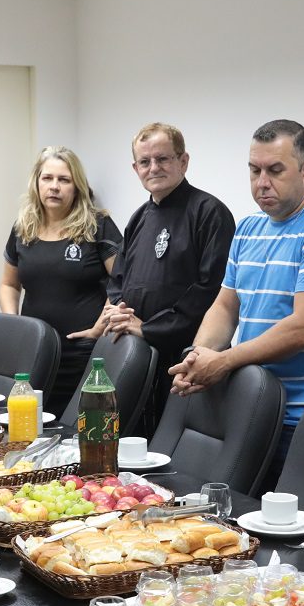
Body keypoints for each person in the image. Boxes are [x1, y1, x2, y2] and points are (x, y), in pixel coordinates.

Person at [170, 120, 304, 485]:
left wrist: (223, 361)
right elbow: (226, 307)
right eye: (255, 170)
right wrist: (198, 356)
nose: (262, 182)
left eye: (275, 171)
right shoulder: (248, 229)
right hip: (251, 405)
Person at [104, 123, 234, 436]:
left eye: (163, 159)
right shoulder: (139, 217)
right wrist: (118, 311)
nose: (154, 168)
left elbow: (210, 290)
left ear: (183, 161)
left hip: (186, 359)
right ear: (135, 168)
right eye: (145, 162)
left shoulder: (209, 213)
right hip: (136, 356)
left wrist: (149, 328)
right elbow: (118, 280)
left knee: (171, 446)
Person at [0, 146, 123, 416]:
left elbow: (123, 280)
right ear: (37, 182)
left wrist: (99, 327)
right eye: (48, 178)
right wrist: (14, 325)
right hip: (34, 352)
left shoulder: (96, 225)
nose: (54, 186)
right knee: (33, 426)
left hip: (83, 353)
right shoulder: (23, 228)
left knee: (77, 429)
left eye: (64, 180)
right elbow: (9, 285)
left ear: (76, 186)